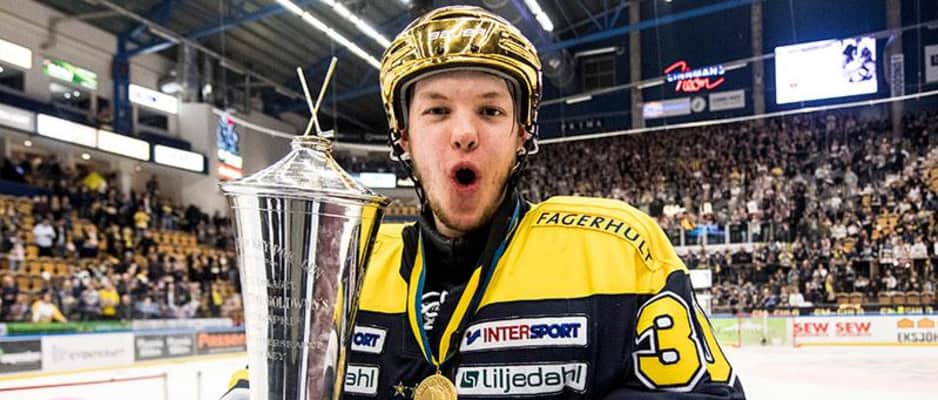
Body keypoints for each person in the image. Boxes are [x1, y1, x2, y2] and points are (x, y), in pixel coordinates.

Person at [223, 6, 743, 400]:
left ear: (522, 134)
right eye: (437, 111)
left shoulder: (616, 250)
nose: (464, 133)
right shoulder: (343, 264)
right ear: (403, 137)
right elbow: (256, 385)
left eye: (491, 111)